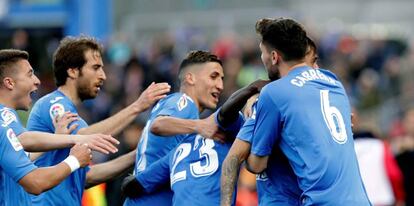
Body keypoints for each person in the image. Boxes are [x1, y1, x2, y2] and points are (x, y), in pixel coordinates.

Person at [26, 36, 171, 206]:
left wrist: (139, 152)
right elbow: (82, 136)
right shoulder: (53, 104)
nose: (103, 76)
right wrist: (137, 106)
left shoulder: (75, 115)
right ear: (72, 71)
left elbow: (86, 177)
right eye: (95, 68)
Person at [244, 18, 370, 205]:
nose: (262, 59)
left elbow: (257, 164)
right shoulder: (334, 82)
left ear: (273, 57)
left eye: (262, 53)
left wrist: (254, 104)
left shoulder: (274, 93)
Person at [121, 79, 268, 206]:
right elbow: (226, 114)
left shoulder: (176, 152)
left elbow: (132, 185)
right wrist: (252, 90)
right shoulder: (232, 128)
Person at [0, 49, 108, 205]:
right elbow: (35, 182)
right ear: (9, 83)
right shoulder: (3, 118)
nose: (37, 80)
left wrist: (59, 137)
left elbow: (20, 156)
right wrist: (74, 159)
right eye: (30, 74)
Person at [221, 36, 319, 206]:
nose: (316, 68)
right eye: (311, 62)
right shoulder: (267, 104)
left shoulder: (318, 103)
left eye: (315, 62)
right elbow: (234, 159)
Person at [123, 50, 225, 206]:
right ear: (190, 78)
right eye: (213, 77)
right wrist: (200, 125)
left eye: (222, 79)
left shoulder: (180, 114)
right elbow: (159, 125)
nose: (220, 85)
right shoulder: (184, 102)